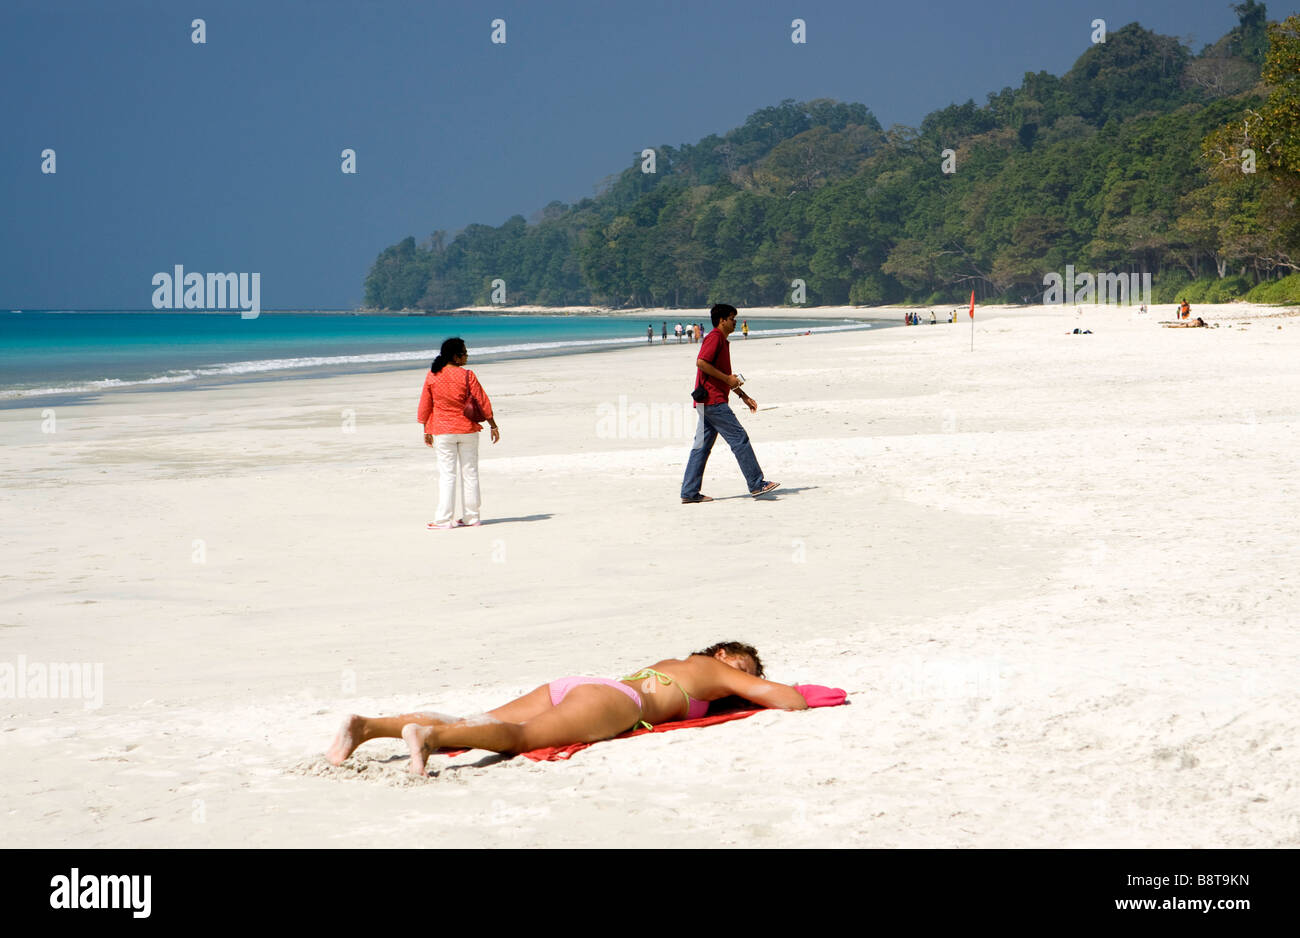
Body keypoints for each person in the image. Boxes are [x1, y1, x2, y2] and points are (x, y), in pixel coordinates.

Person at [323, 641, 808, 776]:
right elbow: (792, 700)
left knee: (491, 718)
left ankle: (367, 726)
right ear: (723, 654)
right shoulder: (713, 669)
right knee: (521, 738)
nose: (743, 679)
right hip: (619, 701)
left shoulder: (680, 664)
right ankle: (430, 739)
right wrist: (754, 686)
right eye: (744, 667)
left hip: (585, 684)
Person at [680, 303, 779, 503]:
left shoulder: (722, 341)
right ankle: (757, 484)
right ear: (722, 320)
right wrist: (728, 380)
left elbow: (726, 376)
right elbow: (701, 362)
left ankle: (689, 492)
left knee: (701, 447)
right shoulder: (715, 338)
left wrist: (742, 395)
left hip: (707, 402)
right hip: (712, 401)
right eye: (732, 318)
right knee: (739, 439)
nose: (735, 322)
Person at [417, 337, 499, 529]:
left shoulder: (432, 376)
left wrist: (426, 429)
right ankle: (472, 517)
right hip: (468, 430)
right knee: (470, 473)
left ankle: (444, 520)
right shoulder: (467, 375)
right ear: (455, 356)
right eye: (464, 353)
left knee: (447, 475)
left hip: (443, 431)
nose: (467, 356)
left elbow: (425, 407)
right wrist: (493, 425)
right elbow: (483, 402)